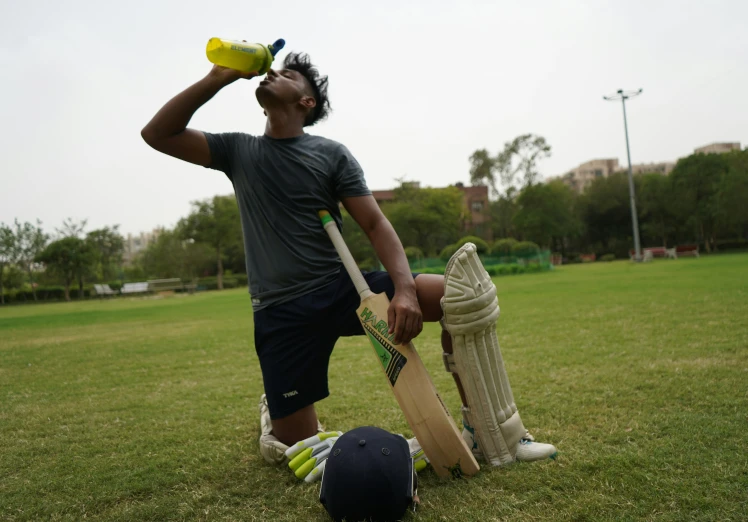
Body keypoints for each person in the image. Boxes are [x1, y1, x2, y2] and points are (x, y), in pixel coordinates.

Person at [141, 52, 556, 470]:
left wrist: (407, 292)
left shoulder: (329, 154)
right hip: (281, 312)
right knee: (297, 449)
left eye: (287, 74)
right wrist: (219, 77)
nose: (272, 74)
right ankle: (276, 416)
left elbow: (375, 223)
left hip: (342, 289)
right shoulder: (237, 150)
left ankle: (493, 433)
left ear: (307, 102)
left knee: (459, 297)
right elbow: (157, 133)